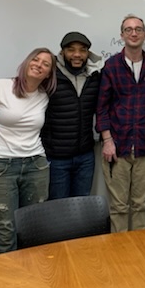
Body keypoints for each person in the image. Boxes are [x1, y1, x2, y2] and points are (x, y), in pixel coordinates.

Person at [0, 48, 57, 253]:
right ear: (26, 62)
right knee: (4, 226)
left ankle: (34, 276)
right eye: (35, 60)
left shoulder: (44, 96)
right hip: (0, 165)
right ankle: (7, 279)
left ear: (49, 74)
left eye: (46, 64)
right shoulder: (0, 87)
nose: (39, 65)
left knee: (34, 224)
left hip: (35, 165)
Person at [96, 14, 145, 232]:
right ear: (122, 35)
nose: (133, 33)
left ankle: (141, 253)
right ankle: (120, 257)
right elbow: (102, 107)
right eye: (128, 29)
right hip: (116, 147)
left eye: (138, 29)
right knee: (119, 207)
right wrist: (107, 140)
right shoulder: (111, 66)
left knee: (142, 205)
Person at [42, 32, 102, 199]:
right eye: (71, 50)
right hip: (56, 158)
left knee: (82, 207)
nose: (77, 54)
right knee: (58, 209)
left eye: (82, 50)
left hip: (85, 156)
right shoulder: (49, 75)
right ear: (62, 53)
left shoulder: (95, 76)